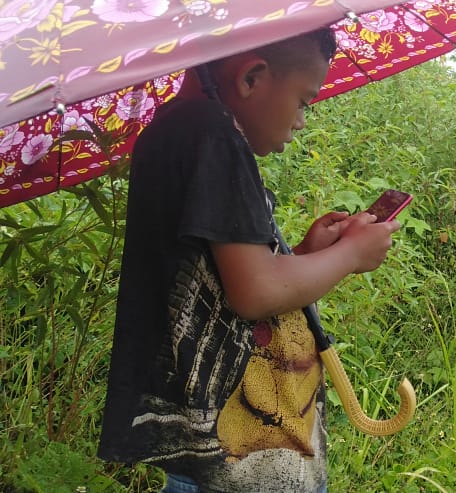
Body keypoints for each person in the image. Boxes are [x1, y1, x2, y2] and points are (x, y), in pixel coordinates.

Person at [97, 27, 400, 492]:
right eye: (303, 101)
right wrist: (349, 254)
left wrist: (303, 256)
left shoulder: (178, 130)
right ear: (252, 77)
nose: (302, 120)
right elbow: (255, 292)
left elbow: (223, 285)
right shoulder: (212, 135)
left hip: (214, 452)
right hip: (235, 460)